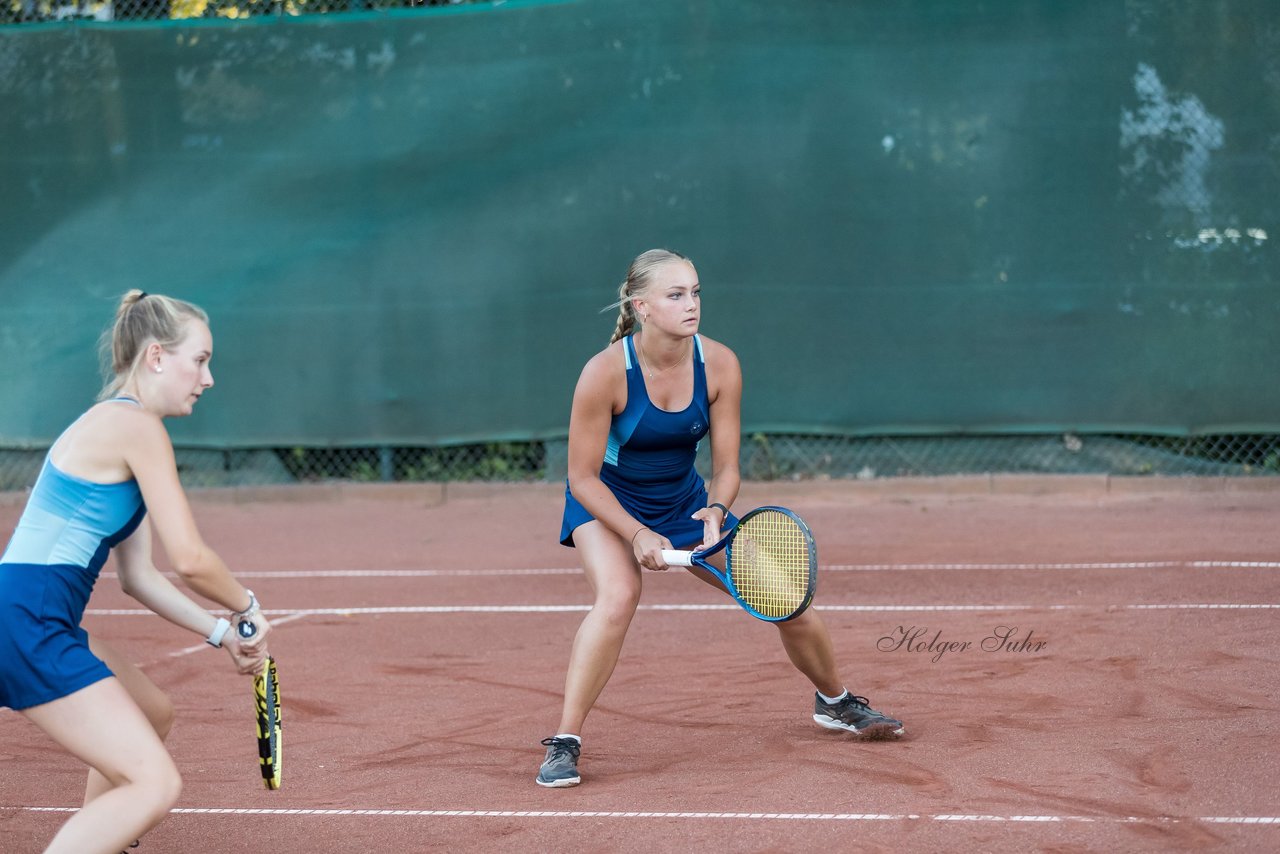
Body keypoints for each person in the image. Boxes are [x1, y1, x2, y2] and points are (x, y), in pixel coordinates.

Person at [537, 249, 904, 788]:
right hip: (608, 503)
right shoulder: (604, 373)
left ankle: (835, 701)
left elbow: (727, 467)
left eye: (696, 292)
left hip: (685, 502)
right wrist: (637, 532)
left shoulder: (721, 364)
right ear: (641, 306)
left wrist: (715, 509)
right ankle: (565, 741)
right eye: (676, 295)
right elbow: (582, 478)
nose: (692, 305)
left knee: (781, 594)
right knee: (618, 597)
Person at [0, 291, 272, 853]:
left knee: (152, 711)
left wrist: (222, 635)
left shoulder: (121, 428)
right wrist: (246, 609)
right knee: (155, 783)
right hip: (28, 618)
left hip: (30, 613)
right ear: (155, 357)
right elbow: (191, 560)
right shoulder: (135, 429)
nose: (209, 377)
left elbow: (140, 577)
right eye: (199, 360)